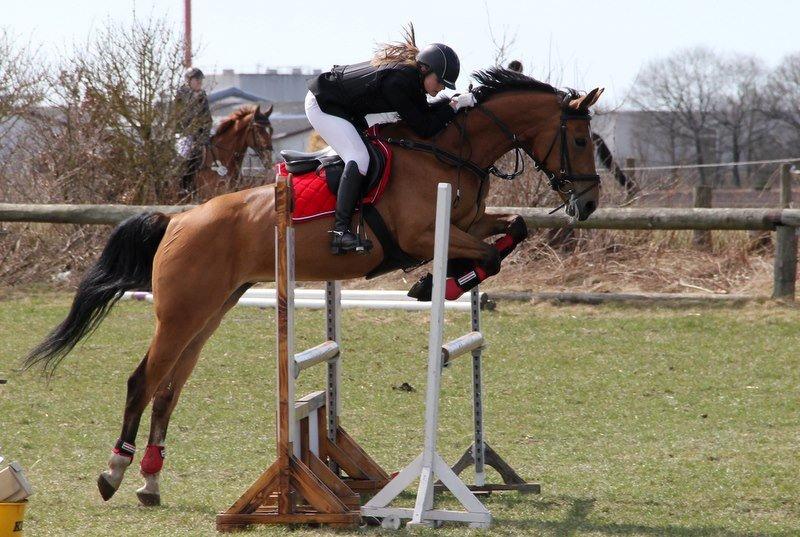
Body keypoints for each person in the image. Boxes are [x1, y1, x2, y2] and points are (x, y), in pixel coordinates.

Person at [305, 26, 477, 255]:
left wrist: (452, 104)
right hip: (323, 104)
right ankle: (339, 232)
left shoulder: (412, 80)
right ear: (426, 70)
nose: (442, 88)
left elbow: (425, 115)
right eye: (441, 82)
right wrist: (454, 106)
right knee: (360, 157)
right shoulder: (401, 81)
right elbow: (425, 127)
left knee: (363, 153)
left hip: (342, 107)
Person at [175, 67, 213, 195]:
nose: (199, 82)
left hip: (200, 135)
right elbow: (181, 117)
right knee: (187, 154)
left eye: (200, 80)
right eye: (197, 80)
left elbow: (208, 117)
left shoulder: (202, 96)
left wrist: (205, 135)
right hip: (184, 133)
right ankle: (183, 185)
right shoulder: (181, 95)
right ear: (189, 80)